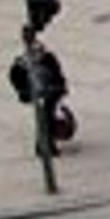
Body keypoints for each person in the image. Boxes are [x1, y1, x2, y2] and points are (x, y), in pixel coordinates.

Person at [8, 29, 73, 158]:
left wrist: (60, 87)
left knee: (45, 118)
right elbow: (15, 76)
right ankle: (45, 146)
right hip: (42, 93)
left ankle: (45, 144)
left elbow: (56, 72)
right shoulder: (25, 61)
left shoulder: (41, 58)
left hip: (49, 92)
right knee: (45, 119)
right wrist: (25, 91)